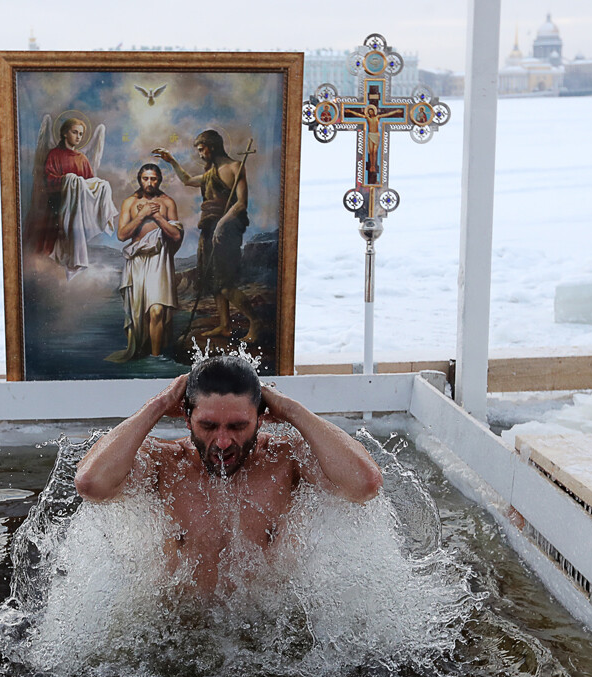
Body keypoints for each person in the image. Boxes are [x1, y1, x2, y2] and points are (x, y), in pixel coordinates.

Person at [74, 356, 384, 594]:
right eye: (208, 426)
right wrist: (157, 405)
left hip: (265, 631)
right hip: (180, 629)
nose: (223, 442)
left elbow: (365, 484)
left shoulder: (285, 459)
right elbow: (91, 484)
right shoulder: (165, 462)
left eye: (237, 426)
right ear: (186, 418)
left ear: (261, 419)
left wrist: (292, 410)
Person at [153, 130, 261, 343]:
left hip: (227, 229)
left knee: (225, 282)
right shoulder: (211, 173)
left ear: (213, 146)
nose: (201, 154)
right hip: (209, 229)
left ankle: (255, 322)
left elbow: (241, 203)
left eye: (202, 149)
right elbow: (187, 180)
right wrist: (172, 161)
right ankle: (224, 325)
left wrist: (221, 223)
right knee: (213, 281)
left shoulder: (235, 167)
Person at [107, 164, 183, 362]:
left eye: (154, 179)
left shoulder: (167, 202)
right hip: (137, 261)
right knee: (139, 315)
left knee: (157, 310)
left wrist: (156, 216)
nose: (150, 183)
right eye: (145, 179)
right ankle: (142, 350)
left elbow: (176, 235)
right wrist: (142, 215)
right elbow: (122, 235)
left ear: (159, 180)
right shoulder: (130, 203)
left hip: (160, 259)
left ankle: (155, 358)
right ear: (139, 179)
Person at [29, 117, 117, 274]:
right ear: (64, 133)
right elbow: (48, 180)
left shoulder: (82, 159)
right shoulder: (54, 154)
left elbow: (90, 183)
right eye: (75, 132)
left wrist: (100, 187)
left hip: (77, 208)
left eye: (81, 134)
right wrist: (68, 180)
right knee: (53, 249)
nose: (78, 137)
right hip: (57, 208)